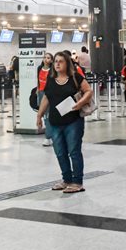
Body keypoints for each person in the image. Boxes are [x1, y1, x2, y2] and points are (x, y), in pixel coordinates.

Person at [35, 51, 92, 193]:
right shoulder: (51, 79)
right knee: (60, 152)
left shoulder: (75, 77)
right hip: (55, 121)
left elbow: (88, 91)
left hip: (73, 121)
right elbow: (46, 98)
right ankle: (66, 179)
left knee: (74, 151)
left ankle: (77, 182)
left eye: (61, 61)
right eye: (56, 61)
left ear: (67, 63)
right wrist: (39, 115)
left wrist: (80, 103)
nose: (57, 64)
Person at [37, 53, 54, 147]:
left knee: (48, 115)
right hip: (41, 93)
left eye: (48, 58)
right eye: (44, 57)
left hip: (49, 94)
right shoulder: (39, 68)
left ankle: (48, 137)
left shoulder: (52, 70)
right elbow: (38, 79)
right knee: (43, 114)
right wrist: (37, 90)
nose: (46, 59)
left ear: (51, 60)